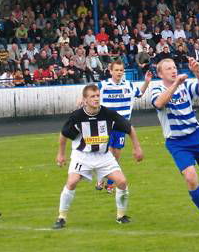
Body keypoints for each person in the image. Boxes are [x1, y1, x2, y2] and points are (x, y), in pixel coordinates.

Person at [149, 57, 199, 225]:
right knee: (190, 177)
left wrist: (197, 72)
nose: (173, 70)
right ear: (160, 73)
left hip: (197, 135)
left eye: (174, 67)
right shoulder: (157, 88)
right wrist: (175, 85)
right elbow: (159, 103)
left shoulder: (185, 85)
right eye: (168, 68)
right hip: (177, 142)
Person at [53, 83, 143, 229]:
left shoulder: (108, 114)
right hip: (82, 155)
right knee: (72, 182)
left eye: (97, 96)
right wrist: (61, 154)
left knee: (121, 182)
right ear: (85, 100)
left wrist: (137, 148)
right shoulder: (77, 117)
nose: (96, 99)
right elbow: (64, 135)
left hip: (103, 156)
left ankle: (121, 216)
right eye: (92, 96)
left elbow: (129, 127)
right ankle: (61, 218)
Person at [96, 59, 152, 192]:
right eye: (116, 70)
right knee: (106, 153)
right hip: (107, 125)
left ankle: (110, 183)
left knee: (116, 154)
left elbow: (139, 93)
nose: (119, 72)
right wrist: (82, 99)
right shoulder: (103, 85)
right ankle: (101, 179)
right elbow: (90, 92)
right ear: (111, 71)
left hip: (122, 126)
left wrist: (147, 82)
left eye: (121, 70)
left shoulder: (129, 85)